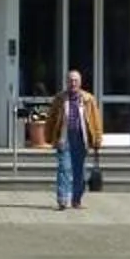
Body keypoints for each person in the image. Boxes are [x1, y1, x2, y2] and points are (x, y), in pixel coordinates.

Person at [44, 67, 102, 210]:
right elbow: (51, 119)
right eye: (70, 80)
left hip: (81, 138)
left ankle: (76, 200)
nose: (73, 83)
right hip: (65, 137)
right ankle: (62, 199)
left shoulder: (88, 99)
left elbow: (96, 120)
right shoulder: (59, 99)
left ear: (80, 82)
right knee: (64, 168)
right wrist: (49, 136)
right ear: (66, 82)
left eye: (76, 80)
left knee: (79, 171)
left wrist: (97, 138)